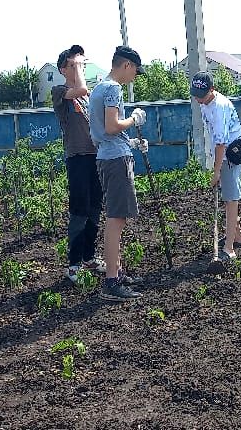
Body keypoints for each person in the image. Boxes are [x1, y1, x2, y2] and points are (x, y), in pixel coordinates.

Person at [87, 46, 149, 302]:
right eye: (135, 70)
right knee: (117, 219)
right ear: (126, 66)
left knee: (116, 218)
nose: (134, 76)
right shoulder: (113, 88)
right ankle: (112, 281)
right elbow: (112, 126)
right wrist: (134, 119)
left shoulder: (98, 88)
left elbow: (101, 132)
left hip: (107, 155)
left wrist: (131, 144)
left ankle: (117, 272)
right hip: (115, 160)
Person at [51, 45, 105, 285]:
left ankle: (89, 257)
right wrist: (77, 66)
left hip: (96, 155)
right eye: (73, 65)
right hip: (77, 158)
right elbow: (80, 87)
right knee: (79, 211)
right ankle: (73, 265)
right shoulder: (60, 90)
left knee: (95, 207)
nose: (79, 68)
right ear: (63, 69)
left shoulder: (88, 95)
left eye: (82, 64)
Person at [189, 72, 241, 273]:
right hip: (222, 151)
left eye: (202, 94)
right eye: (196, 94)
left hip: (231, 152)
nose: (198, 98)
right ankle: (236, 236)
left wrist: (216, 171)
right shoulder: (205, 104)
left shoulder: (219, 106)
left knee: (231, 200)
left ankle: (229, 248)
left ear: (211, 89)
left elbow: (221, 142)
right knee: (227, 197)